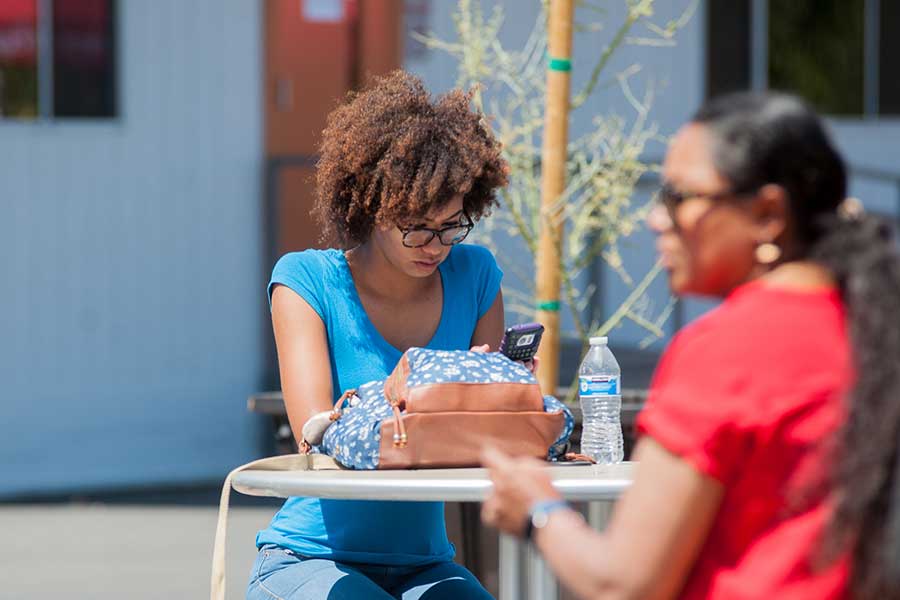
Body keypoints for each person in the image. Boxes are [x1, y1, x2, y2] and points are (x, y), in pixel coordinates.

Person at [481, 91, 900, 600]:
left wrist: (537, 509)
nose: (656, 219)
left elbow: (622, 583)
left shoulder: (730, 347)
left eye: (679, 198)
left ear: (768, 213)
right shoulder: (871, 324)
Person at [247, 71, 508, 599]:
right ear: (370, 206)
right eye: (414, 224)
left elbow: (490, 433)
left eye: (450, 225)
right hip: (310, 557)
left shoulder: (476, 276)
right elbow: (316, 430)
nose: (433, 244)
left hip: (425, 565)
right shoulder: (306, 280)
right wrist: (447, 399)